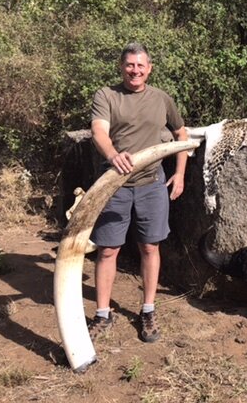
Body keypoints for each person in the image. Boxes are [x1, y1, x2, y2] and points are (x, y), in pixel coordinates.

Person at [87, 42, 188, 343]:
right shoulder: (106, 95)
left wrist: (180, 173)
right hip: (114, 184)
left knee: (149, 247)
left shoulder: (161, 99)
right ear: (122, 66)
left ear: (149, 68)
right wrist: (112, 154)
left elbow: (182, 135)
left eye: (141, 65)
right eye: (130, 65)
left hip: (152, 184)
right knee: (107, 250)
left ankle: (148, 310)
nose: (135, 70)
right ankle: (103, 314)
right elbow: (98, 131)